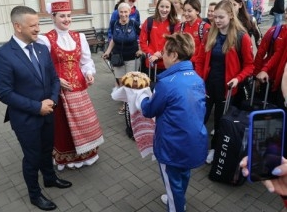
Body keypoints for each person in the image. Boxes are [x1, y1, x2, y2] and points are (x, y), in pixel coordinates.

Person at [0, 5, 72, 211]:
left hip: (48, 112)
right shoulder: (2, 55)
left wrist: (52, 101)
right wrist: (37, 107)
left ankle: (50, 178)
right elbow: (5, 94)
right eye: (33, 25)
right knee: (33, 157)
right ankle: (35, 195)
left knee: (47, 150)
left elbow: (54, 79)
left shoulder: (42, 48)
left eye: (38, 24)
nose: (38, 29)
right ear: (18, 26)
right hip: (26, 119)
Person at [137, 32, 208, 212]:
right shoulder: (197, 78)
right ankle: (178, 199)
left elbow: (148, 110)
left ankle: (176, 205)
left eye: (164, 52)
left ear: (174, 55)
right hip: (193, 140)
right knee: (183, 175)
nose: (162, 56)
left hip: (172, 144)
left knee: (171, 181)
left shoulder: (167, 82)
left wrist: (140, 96)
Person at [38, 1, 104, 171]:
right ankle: (67, 158)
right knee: (64, 126)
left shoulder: (78, 37)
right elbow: (42, 66)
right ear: (53, 17)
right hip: (60, 91)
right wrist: (56, 79)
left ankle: (87, 154)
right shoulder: (45, 39)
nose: (67, 19)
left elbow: (86, 61)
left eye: (69, 15)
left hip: (79, 89)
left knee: (83, 123)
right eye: (62, 16)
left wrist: (89, 73)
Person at [194, 0, 254, 164]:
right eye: (215, 17)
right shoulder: (210, 34)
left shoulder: (242, 37)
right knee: (200, 118)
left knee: (220, 122)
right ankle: (196, 145)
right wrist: (199, 78)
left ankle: (214, 149)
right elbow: (199, 59)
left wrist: (237, 78)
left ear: (230, 16)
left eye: (221, 17)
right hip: (207, 86)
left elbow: (250, 66)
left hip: (226, 89)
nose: (217, 21)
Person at [103, 2, 142, 115]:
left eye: (126, 12)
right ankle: (126, 103)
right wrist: (107, 51)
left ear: (129, 12)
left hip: (132, 57)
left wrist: (140, 49)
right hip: (117, 57)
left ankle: (131, 105)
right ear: (118, 13)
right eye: (121, 12)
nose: (123, 14)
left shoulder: (134, 24)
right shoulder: (114, 23)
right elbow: (113, 39)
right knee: (121, 82)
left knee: (130, 82)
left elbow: (142, 37)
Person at [139, 0, 178, 83]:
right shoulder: (149, 21)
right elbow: (142, 41)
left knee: (166, 90)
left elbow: (175, 43)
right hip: (151, 64)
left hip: (168, 64)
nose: (164, 10)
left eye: (167, 7)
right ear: (157, 7)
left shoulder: (175, 23)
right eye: (162, 6)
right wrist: (152, 54)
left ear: (171, 8)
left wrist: (161, 54)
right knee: (151, 89)